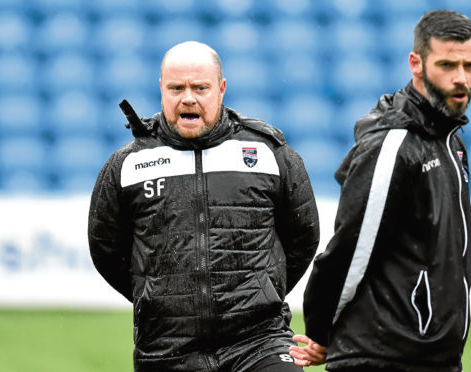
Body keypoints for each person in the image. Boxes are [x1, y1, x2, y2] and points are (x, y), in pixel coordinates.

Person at [88, 41, 320, 372]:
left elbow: (303, 236)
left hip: (259, 343)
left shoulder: (270, 154)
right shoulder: (127, 164)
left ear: (221, 89)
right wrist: (158, 297)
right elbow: (106, 250)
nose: (188, 98)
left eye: (200, 88)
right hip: (167, 349)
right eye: (176, 88)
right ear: (161, 89)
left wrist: (263, 288)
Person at [289, 9, 471, 372]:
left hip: (433, 359)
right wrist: (321, 331)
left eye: (470, 65)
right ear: (416, 63)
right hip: (381, 356)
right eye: (448, 65)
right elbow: (349, 251)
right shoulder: (394, 145)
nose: (461, 79)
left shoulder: (449, 141)